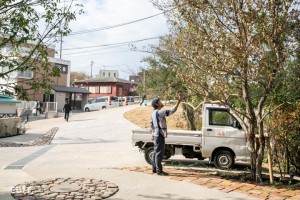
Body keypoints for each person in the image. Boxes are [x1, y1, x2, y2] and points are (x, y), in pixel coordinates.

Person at [150, 96, 181, 176]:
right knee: (159, 153)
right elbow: (171, 111)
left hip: (156, 134)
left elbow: (151, 124)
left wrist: (152, 134)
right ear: (157, 104)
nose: (161, 102)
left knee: (156, 152)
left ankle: (154, 168)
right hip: (160, 135)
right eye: (159, 101)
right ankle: (159, 171)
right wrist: (178, 102)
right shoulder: (160, 113)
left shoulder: (153, 113)